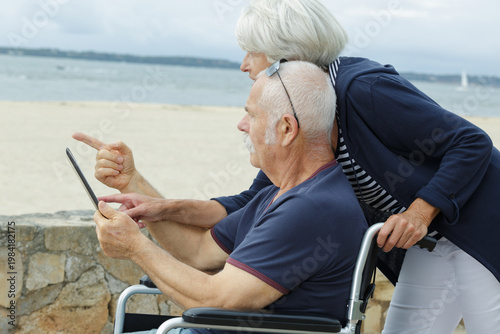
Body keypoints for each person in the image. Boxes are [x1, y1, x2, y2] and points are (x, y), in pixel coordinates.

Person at [74, 0, 500, 332]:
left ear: (283, 54)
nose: (244, 64)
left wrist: (419, 212)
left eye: (251, 52)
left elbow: (471, 141)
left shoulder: (362, 89)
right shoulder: (301, 129)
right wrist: (155, 206)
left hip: (479, 227)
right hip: (433, 242)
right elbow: (246, 202)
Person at [92, 61, 367, 333]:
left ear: (286, 129)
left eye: (252, 115)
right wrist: (131, 183)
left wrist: (134, 247)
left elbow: (217, 300)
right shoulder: (283, 193)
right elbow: (199, 252)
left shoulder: (309, 209)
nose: (241, 125)